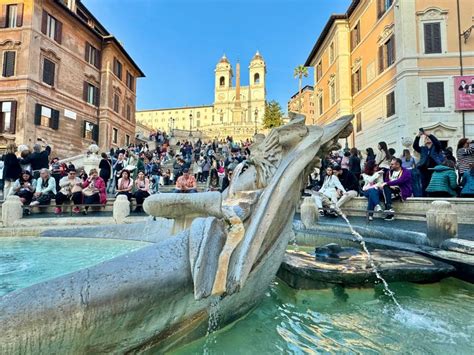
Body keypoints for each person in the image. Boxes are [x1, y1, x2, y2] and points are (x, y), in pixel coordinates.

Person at [413, 130, 444, 196]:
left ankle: (433, 196)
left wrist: (429, 135)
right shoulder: (423, 148)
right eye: (426, 138)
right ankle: (424, 197)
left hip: (434, 168)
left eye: (428, 138)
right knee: (424, 184)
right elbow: (415, 146)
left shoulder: (436, 148)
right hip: (424, 169)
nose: (427, 138)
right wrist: (418, 136)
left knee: (433, 184)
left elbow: (437, 143)